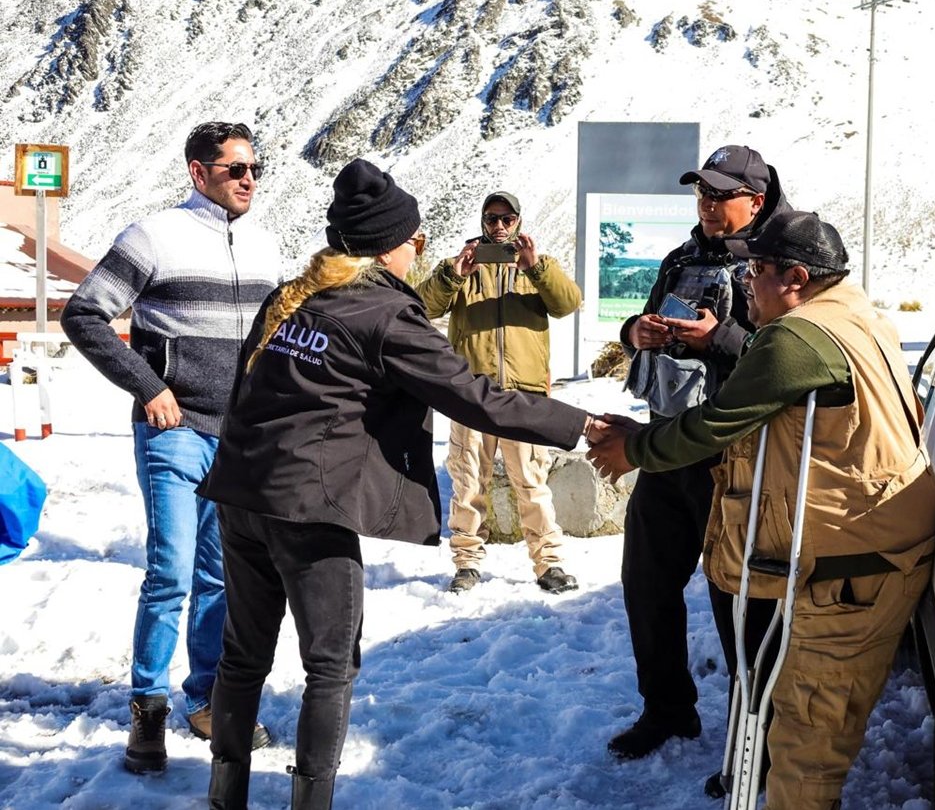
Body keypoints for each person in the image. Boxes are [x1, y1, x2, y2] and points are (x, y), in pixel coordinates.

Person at [195, 159, 606, 810]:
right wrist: (581, 422)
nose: (419, 251)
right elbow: (476, 397)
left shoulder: (296, 295)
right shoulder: (384, 310)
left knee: (243, 657)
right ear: (393, 244)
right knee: (330, 666)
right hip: (309, 504)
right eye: (415, 240)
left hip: (241, 492)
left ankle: (226, 797)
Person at [588, 209, 935, 810]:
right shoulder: (854, 312)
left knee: (806, 741)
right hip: (879, 545)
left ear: (797, 276)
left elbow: (717, 422)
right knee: (808, 721)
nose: (746, 280)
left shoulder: (795, 337)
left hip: (850, 568)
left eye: (757, 270)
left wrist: (635, 450)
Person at [61, 121, 280, 774]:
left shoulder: (268, 247)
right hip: (173, 430)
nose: (248, 179)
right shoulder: (153, 235)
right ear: (198, 171)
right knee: (172, 570)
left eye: (254, 169)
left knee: (222, 576)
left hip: (239, 437)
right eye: (235, 168)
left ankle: (210, 700)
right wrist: (149, 385)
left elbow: (277, 339)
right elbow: (84, 314)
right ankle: (146, 712)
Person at [606, 144, 790, 761]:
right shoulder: (683, 258)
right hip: (666, 446)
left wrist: (722, 339)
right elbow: (639, 325)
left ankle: (755, 740)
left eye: (721, 195)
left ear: (756, 201)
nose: (708, 205)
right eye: (702, 194)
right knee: (647, 584)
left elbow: (788, 361)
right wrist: (638, 332)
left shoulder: (782, 264)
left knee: (738, 602)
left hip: (735, 462)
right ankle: (666, 710)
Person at [416, 190, 583, 594]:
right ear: (482, 222)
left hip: (524, 394)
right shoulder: (461, 267)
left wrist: (536, 266)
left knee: (531, 482)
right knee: (469, 482)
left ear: (519, 221)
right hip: (470, 392)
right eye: (492, 219)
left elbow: (568, 303)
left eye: (507, 219)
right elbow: (421, 306)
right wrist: (454, 274)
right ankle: (467, 563)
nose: (500, 226)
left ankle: (549, 564)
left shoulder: (538, 267)